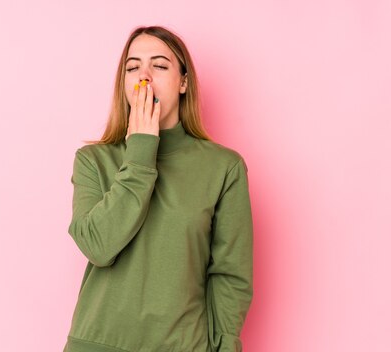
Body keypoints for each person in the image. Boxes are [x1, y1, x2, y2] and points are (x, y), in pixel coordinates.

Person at [62, 25, 253, 352]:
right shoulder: (93, 161)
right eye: (133, 67)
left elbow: (229, 277)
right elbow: (98, 245)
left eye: (160, 65)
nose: (144, 76)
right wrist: (140, 151)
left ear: (183, 82)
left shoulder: (224, 168)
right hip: (97, 343)